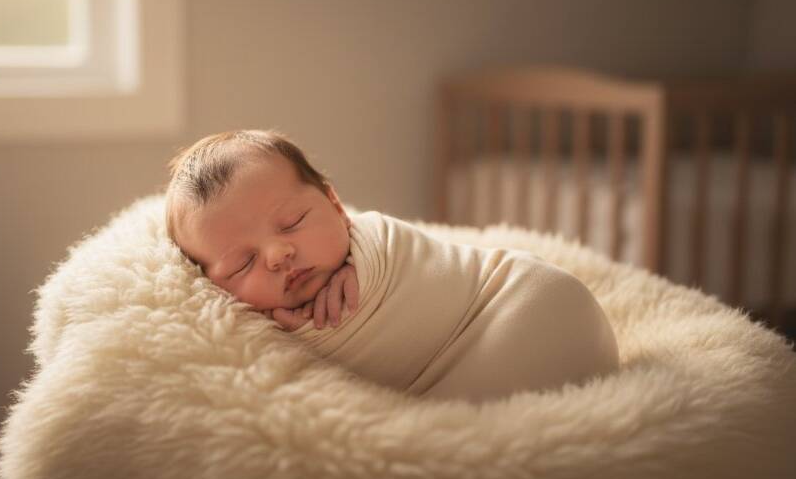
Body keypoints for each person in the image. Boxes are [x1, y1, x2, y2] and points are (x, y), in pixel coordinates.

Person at [166, 129, 619, 402]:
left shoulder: (377, 242)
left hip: (521, 304)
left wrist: (368, 267)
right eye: (243, 263)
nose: (277, 254)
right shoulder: (246, 328)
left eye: (293, 222)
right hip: (482, 371)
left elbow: (402, 255)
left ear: (335, 205)